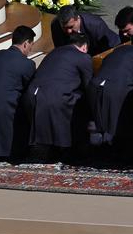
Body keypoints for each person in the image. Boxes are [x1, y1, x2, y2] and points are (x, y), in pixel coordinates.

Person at [24, 31, 93, 159]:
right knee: (81, 103)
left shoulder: (53, 52)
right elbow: (89, 86)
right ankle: (72, 146)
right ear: (84, 47)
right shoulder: (83, 57)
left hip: (30, 96)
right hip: (54, 97)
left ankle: (52, 146)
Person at [87, 28, 133, 151]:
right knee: (123, 121)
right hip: (117, 89)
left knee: (100, 120)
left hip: (95, 85)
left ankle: (100, 148)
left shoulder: (117, 50)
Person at [0, 25, 37, 161]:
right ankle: (17, 149)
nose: (30, 49)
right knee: (26, 103)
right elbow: (30, 88)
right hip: (3, 105)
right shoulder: (27, 64)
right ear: (26, 43)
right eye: (31, 45)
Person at [52, 5, 120, 55]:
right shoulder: (56, 26)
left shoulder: (95, 25)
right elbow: (60, 49)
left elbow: (107, 48)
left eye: (71, 27)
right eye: (64, 28)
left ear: (78, 19)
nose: (68, 31)